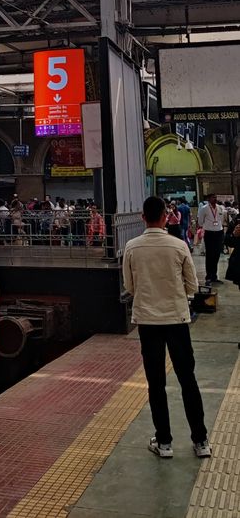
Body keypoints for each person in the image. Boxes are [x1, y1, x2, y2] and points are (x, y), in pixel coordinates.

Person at [123, 195, 211, 460]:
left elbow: (129, 287)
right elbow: (193, 286)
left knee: (156, 383)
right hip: (177, 320)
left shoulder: (132, 247)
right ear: (165, 217)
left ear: (142, 217)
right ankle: (201, 441)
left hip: (148, 323)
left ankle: (164, 443)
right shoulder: (178, 245)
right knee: (188, 380)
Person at [197, 193, 224, 285]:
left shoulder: (220, 208)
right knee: (209, 255)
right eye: (213, 197)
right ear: (208, 199)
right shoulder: (204, 208)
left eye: (216, 197)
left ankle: (214, 276)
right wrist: (207, 226)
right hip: (209, 233)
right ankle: (208, 276)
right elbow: (200, 221)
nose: (215, 199)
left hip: (219, 233)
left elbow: (221, 218)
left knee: (216, 255)